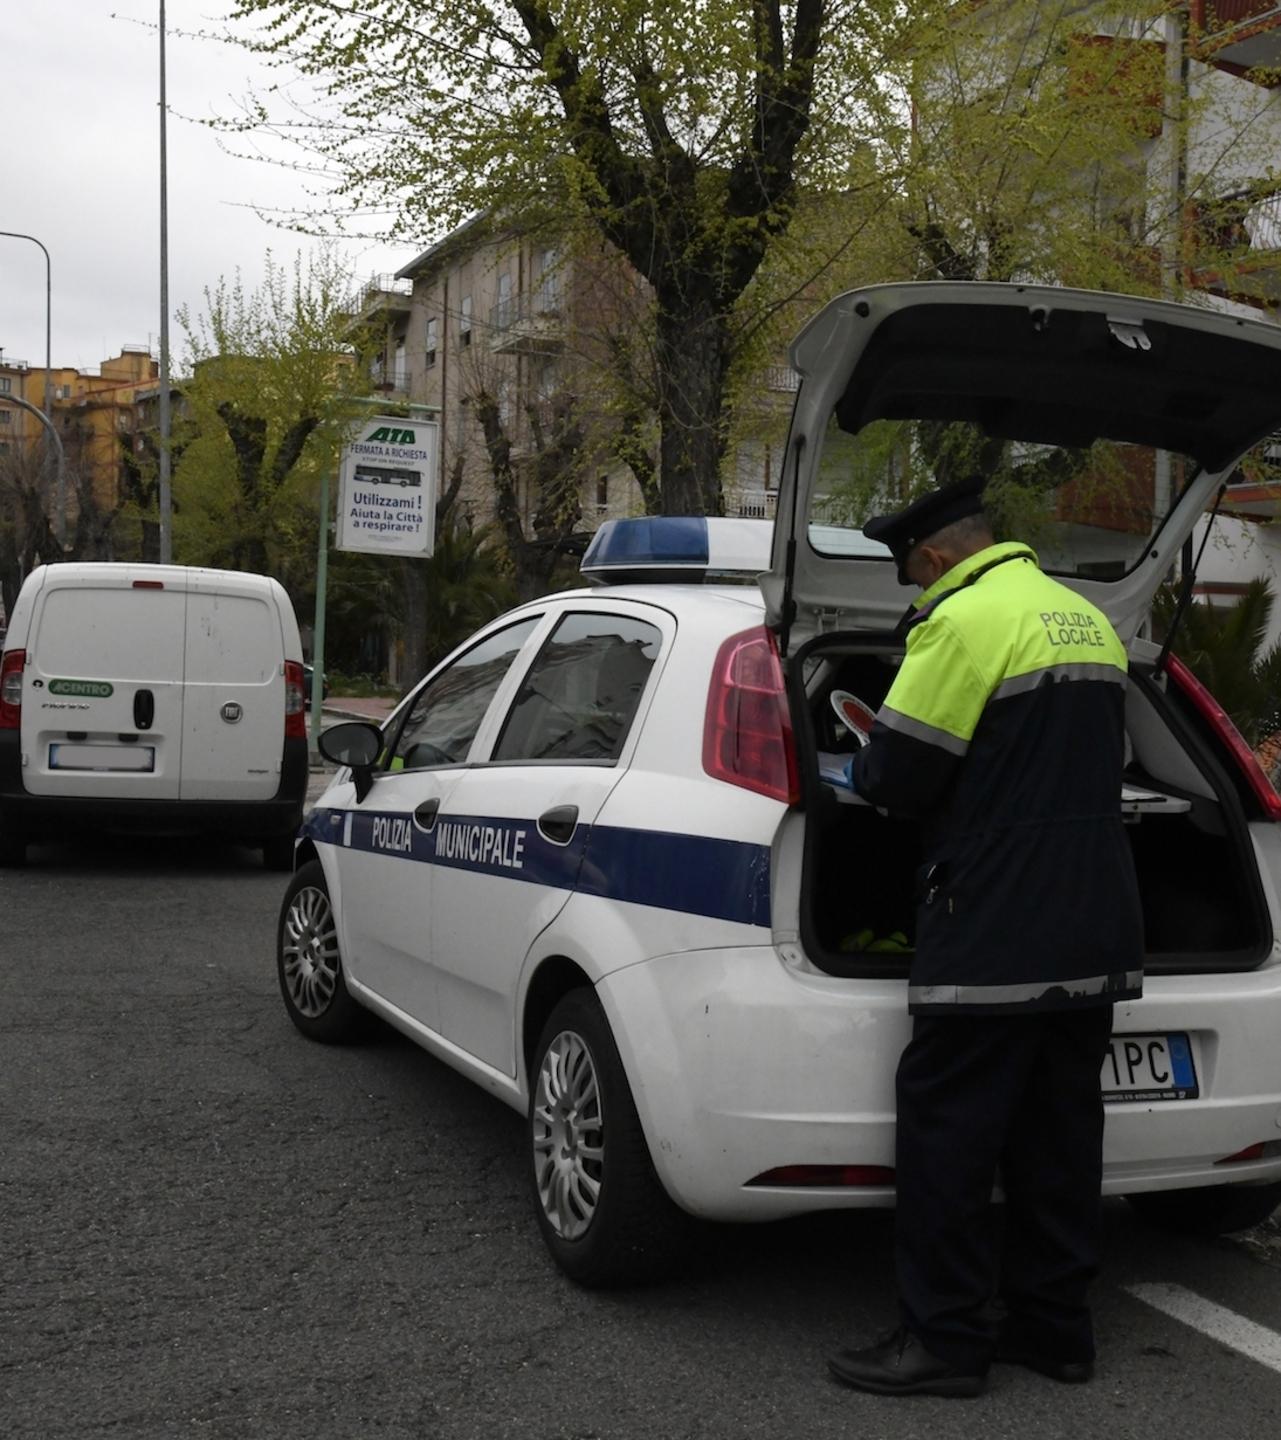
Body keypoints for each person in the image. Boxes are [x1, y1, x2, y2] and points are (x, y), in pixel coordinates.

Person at [826, 478, 1144, 1399]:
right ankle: (1056, 1332)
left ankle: (945, 1342)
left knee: (950, 1141)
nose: (914, 598)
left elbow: (899, 776)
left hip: (992, 925)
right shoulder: (1083, 617)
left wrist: (855, 756)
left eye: (911, 580)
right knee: (1058, 1136)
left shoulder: (961, 623)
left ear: (931, 559)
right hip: (1096, 924)